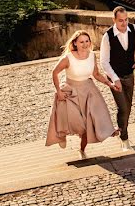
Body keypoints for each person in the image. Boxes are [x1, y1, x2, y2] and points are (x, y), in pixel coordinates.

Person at [46, 29, 120, 159]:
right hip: (71, 91)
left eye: (87, 41)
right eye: (81, 42)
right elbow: (54, 72)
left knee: (89, 122)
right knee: (71, 119)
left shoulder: (92, 55)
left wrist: (110, 84)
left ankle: (82, 149)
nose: (85, 44)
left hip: (89, 91)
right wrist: (58, 91)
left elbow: (96, 74)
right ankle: (61, 136)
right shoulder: (68, 58)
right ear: (75, 43)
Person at [100, 6, 135, 151]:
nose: (124, 23)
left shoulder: (134, 29)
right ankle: (124, 138)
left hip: (129, 75)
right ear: (114, 20)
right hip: (114, 77)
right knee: (122, 108)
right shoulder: (107, 36)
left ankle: (123, 131)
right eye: (120, 21)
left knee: (128, 108)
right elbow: (104, 61)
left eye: (126, 19)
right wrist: (114, 79)